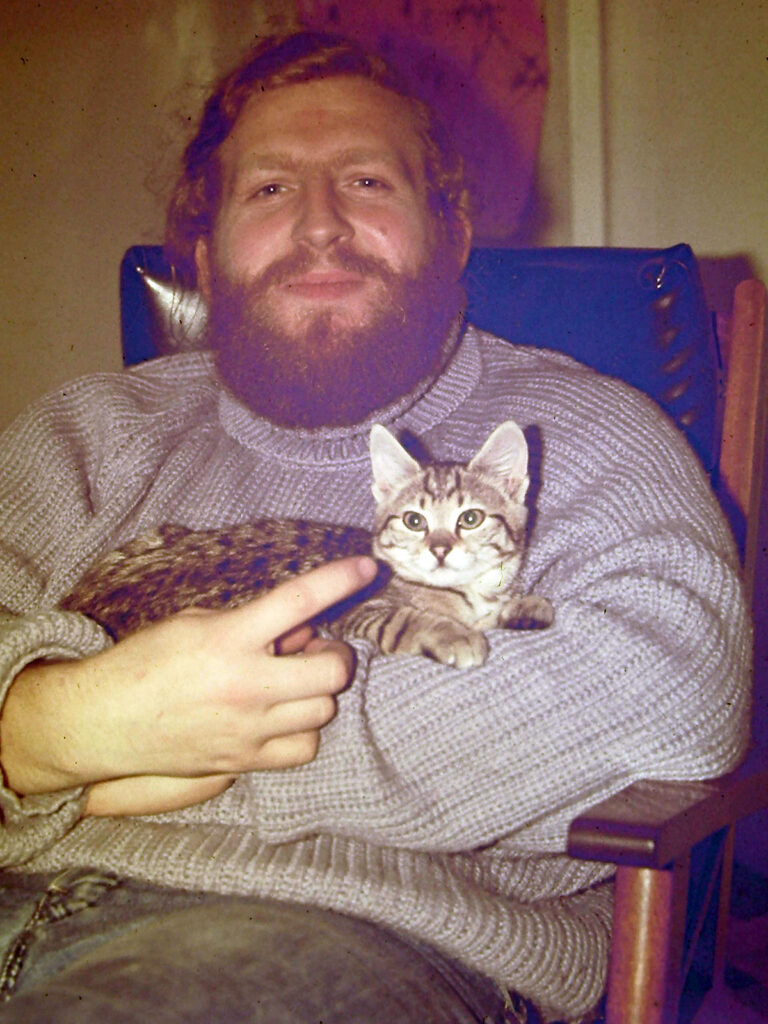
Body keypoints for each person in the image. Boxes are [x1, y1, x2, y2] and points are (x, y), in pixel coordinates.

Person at [0, 31, 751, 1024]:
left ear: (454, 231)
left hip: (348, 937)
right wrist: (46, 728)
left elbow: (671, 696)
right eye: (267, 189)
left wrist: (99, 764)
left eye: (365, 180)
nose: (318, 225)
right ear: (205, 255)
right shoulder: (83, 434)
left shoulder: (586, 433)